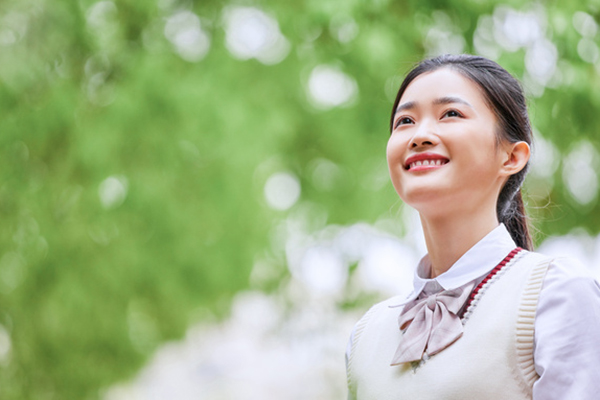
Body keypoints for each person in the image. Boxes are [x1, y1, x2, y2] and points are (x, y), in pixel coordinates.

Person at [345, 54, 600, 399]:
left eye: (450, 113)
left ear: (511, 157)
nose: (420, 135)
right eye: (405, 121)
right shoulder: (367, 334)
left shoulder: (556, 297)